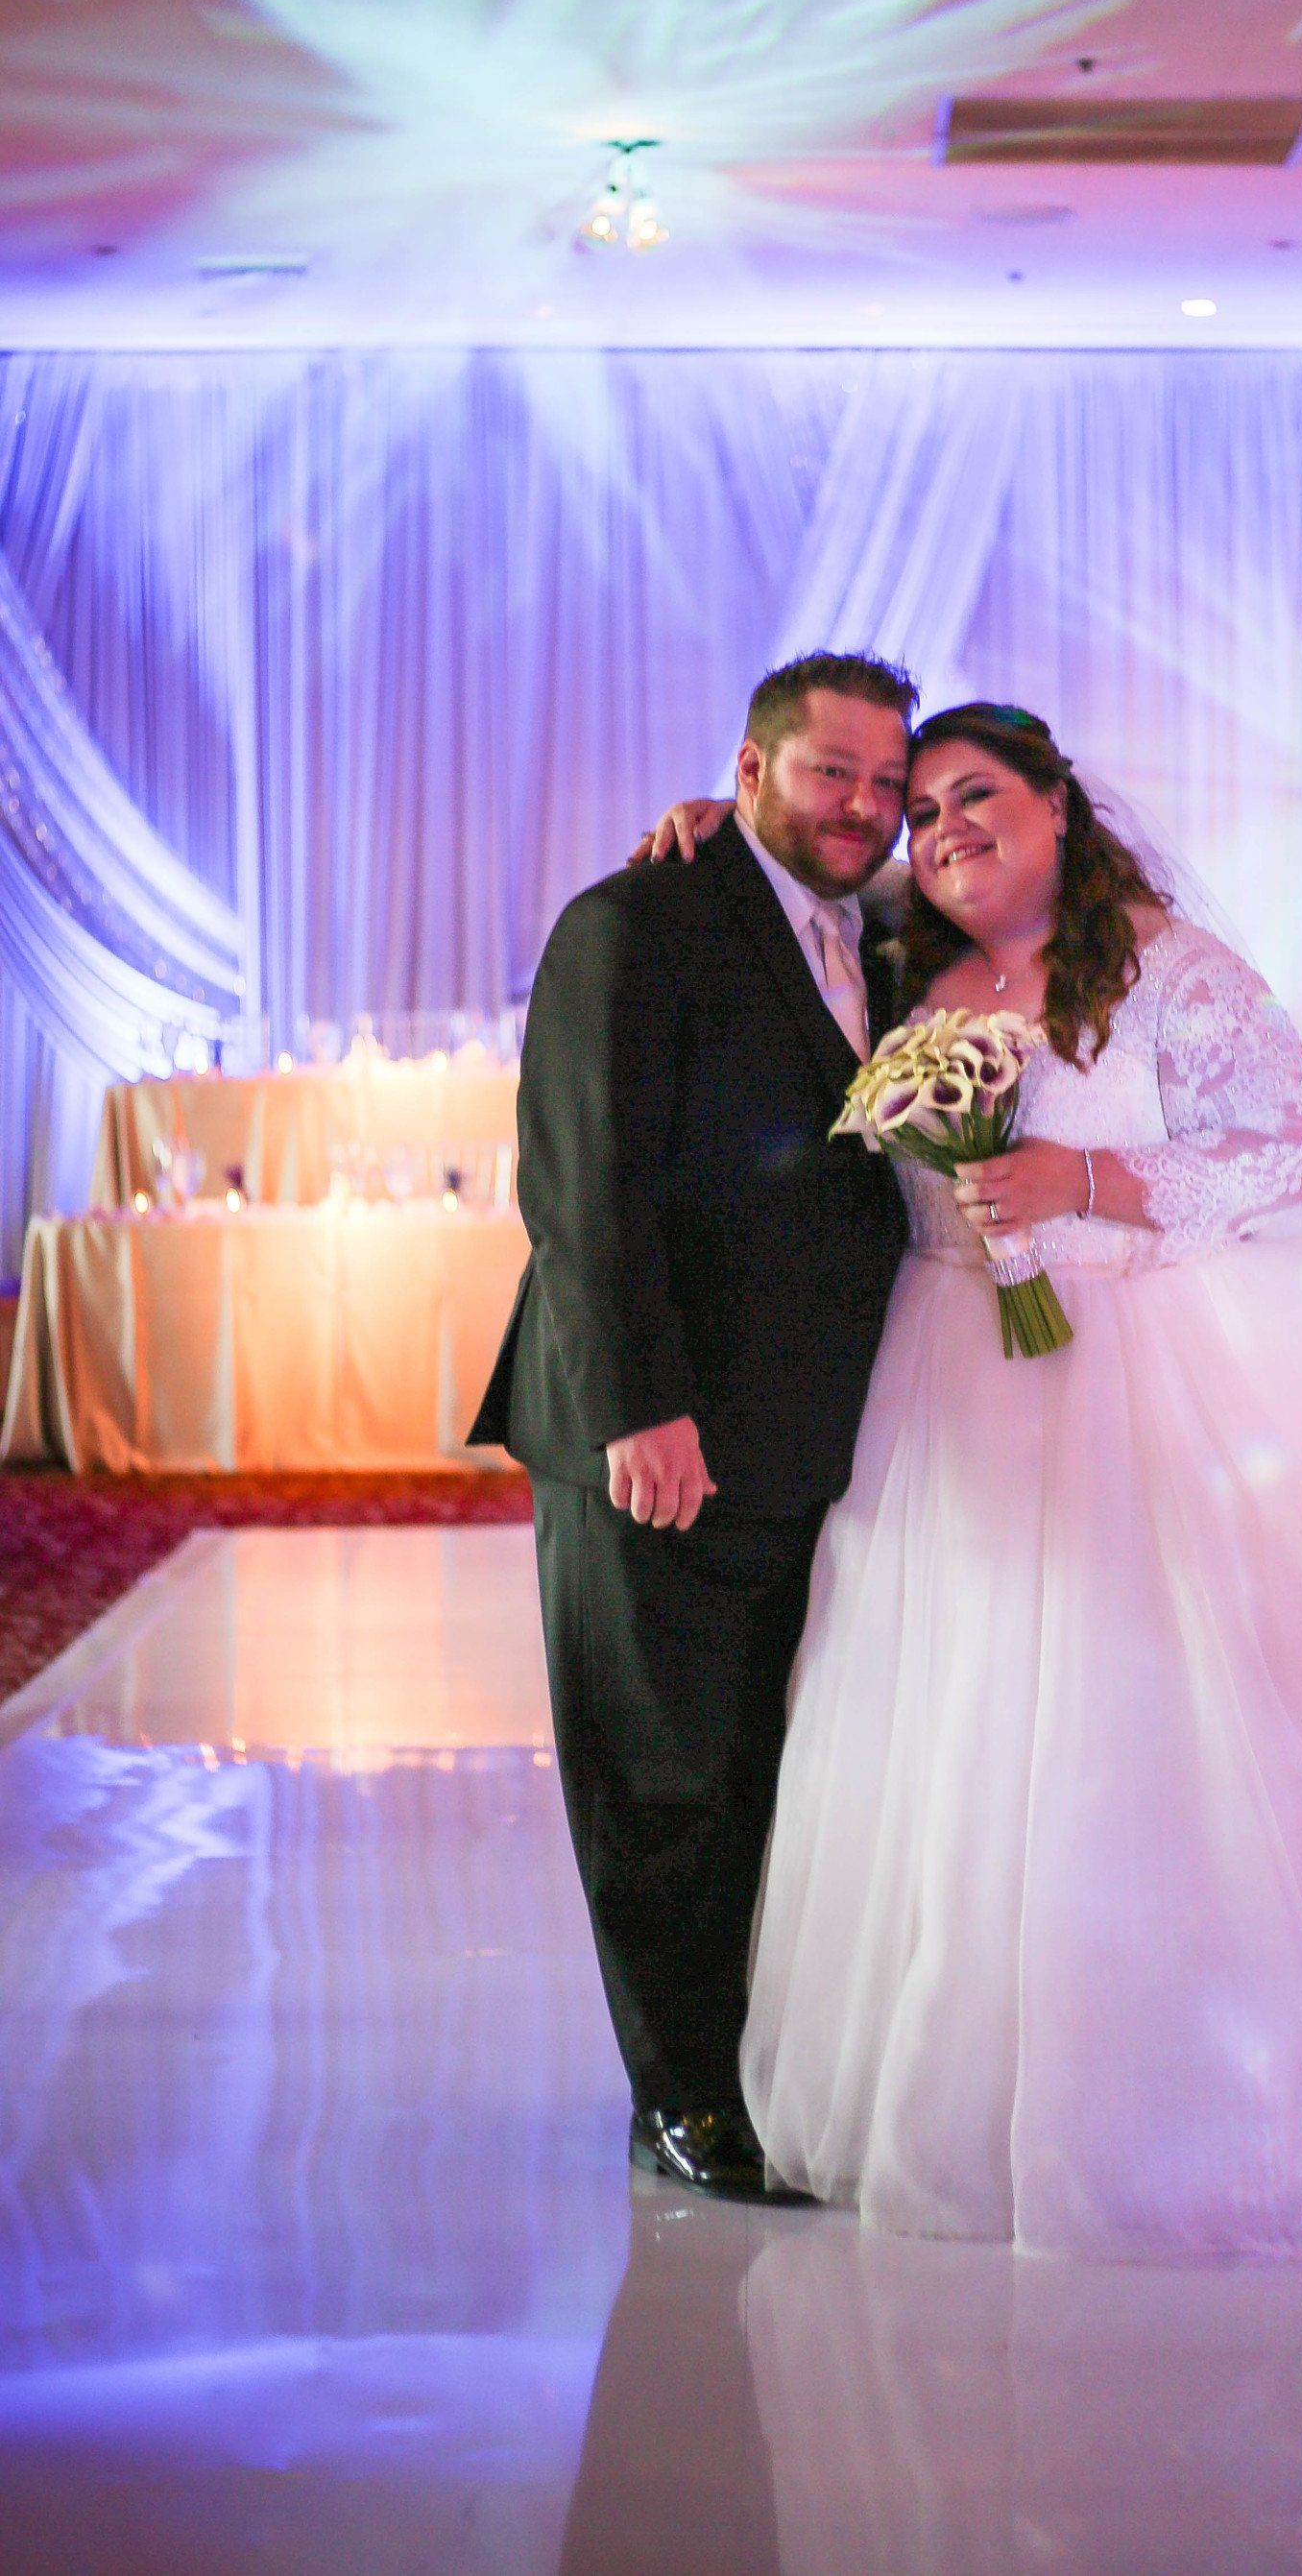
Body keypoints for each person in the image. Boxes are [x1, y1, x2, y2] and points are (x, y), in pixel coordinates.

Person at [649, 703, 1302, 2257]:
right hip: (949, 1388)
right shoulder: (908, 965)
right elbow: (789, 890)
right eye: (922, 813)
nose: (943, 829)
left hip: (1141, 1382)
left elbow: (1285, 1143)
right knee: (947, 1736)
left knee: (1137, 1735)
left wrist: (1086, 1179)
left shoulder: (1166, 966)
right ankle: (955, 2091)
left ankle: (1183, 2096)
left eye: (977, 798)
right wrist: (706, 826)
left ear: (1058, 808)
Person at [470, 652, 916, 2203]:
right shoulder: (634, 922)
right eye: (829, 772)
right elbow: (583, 1190)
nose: (863, 804)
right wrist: (638, 1410)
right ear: (747, 766)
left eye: (886, 779)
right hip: (658, 1438)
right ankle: (679, 2098)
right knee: (657, 1769)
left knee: (757, 1763)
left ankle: (754, 2062)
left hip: (809, 1437)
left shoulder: (890, 941)